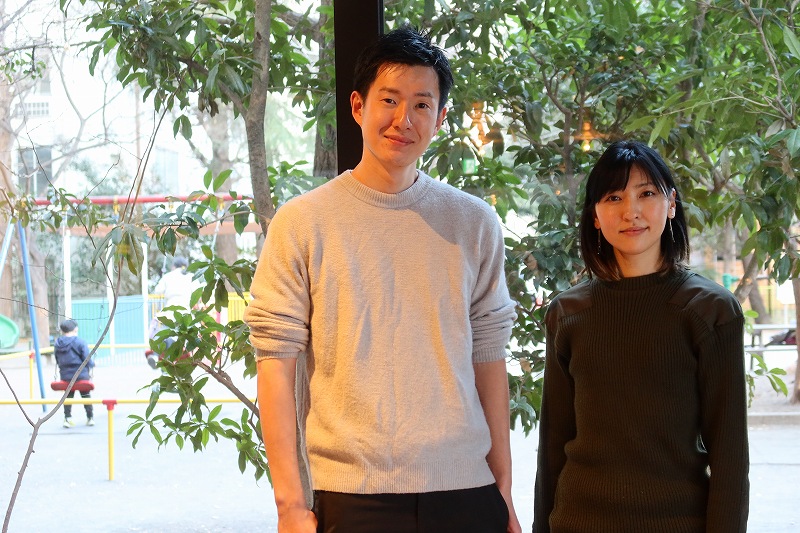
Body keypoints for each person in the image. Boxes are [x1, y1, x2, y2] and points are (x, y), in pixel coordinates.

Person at [244, 25, 521, 533]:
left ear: (440, 118)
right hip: (352, 495)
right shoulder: (303, 222)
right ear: (358, 106)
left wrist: (503, 493)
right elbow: (275, 363)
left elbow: (489, 357)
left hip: (466, 491)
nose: (403, 119)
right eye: (389, 100)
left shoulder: (474, 222)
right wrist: (289, 505)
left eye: (421, 105)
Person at [533, 140, 749, 532]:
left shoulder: (710, 311)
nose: (630, 211)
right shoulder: (567, 314)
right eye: (613, 197)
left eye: (646, 194)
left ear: (671, 204)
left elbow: (730, 456)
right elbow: (552, 447)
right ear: (595, 216)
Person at [148, 256, 196, 369]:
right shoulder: (191, 276)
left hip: (169, 312)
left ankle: (156, 356)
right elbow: (198, 292)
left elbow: (158, 290)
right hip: (185, 313)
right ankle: (180, 363)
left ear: (173, 266)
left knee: (165, 335)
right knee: (182, 339)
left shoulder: (168, 276)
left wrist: (163, 276)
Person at [54, 319, 94, 427]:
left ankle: (67, 418)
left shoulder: (58, 343)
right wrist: (92, 364)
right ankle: (90, 417)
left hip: (66, 376)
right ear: (75, 329)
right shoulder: (80, 342)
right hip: (81, 376)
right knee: (85, 395)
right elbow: (86, 358)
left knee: (68, 396)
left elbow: (57, 359)